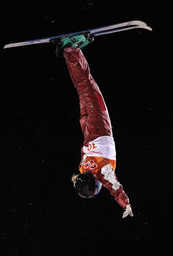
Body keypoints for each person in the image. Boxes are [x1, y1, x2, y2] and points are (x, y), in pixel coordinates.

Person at [54, 34, 134, 218]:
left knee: (87, 85)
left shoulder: (103, 172)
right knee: (84, 88)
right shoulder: (90, 170)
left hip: (99, 128)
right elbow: (112, 187)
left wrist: (126, 203)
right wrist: (124, 202)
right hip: (90, 129)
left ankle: (71, 50)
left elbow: (115, 187)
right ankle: (72, 52)